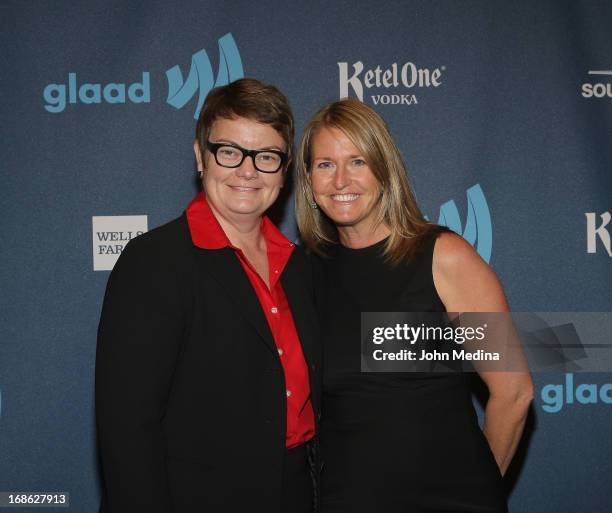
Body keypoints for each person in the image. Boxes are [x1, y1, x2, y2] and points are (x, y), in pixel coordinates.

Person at [295, 99, 533, 513]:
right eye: (325, 165)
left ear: (385, 172)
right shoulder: (304, 273)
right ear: (308, 180)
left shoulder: (443, 258)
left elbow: (513, 391)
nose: (340, 180)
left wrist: (477, 490)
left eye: (357, 161)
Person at [96, 78, 320, 513]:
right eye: (230, 151)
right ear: (201, 156)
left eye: (267, 156)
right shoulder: (155, 261)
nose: (248, 171)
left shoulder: (299, 267)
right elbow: (127, 428)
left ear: (285, 169)